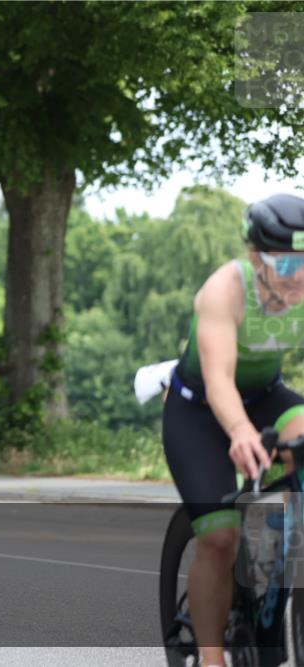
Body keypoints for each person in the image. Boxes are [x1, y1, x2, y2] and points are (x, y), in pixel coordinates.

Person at [163, 193, 304, 667]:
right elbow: (219, 379)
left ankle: (279, 553)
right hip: (199, 409)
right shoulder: (224, 289)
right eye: (286, 267)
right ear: (256, 259)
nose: (298, 278)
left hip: (267, 396)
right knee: (220, 538)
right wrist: (241, 431)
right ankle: (210, 655)